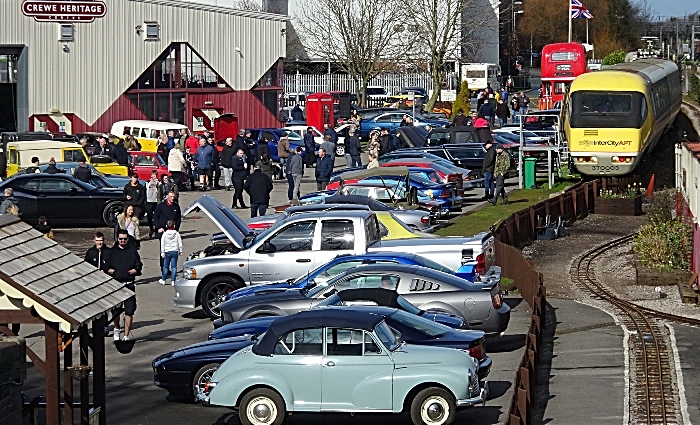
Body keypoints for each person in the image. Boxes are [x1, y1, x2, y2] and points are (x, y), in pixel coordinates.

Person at [102, 229, 142, 342]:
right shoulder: (111, 252)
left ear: (128, 239)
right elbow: (106, 267)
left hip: (129, 285)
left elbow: (138, 266)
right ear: (117, 239)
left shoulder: (132, 251)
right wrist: (113, 272)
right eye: (120, 239)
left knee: (129, 311)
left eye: (124, 239)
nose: (122, 241)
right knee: (115, 311)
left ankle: (126, 335)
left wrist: (134, 271)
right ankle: (117, 328)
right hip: (116, 286)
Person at [159, 220, 182, 286]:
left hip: (167, 251)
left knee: (165, 266)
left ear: (166, 226)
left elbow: (162, 243)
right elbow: (179, 242)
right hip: (175, 250)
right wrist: (180, 250)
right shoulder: (177, 233)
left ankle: (163, 279)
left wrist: (162, 252)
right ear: (174, 226)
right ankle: (173, 280)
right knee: (174, 267)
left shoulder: (165, 234)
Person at [144, 170, 161, 238]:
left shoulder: (159, 183)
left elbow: (160, 190)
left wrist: (157, 184)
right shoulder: (148, 182)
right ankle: (151, 229)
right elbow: (145, 191)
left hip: (156, 201)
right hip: (149, 201)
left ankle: (157, 229)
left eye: (155, 175)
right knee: (149, 217)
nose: (154, 176)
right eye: (153, 175)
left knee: (157, 216)